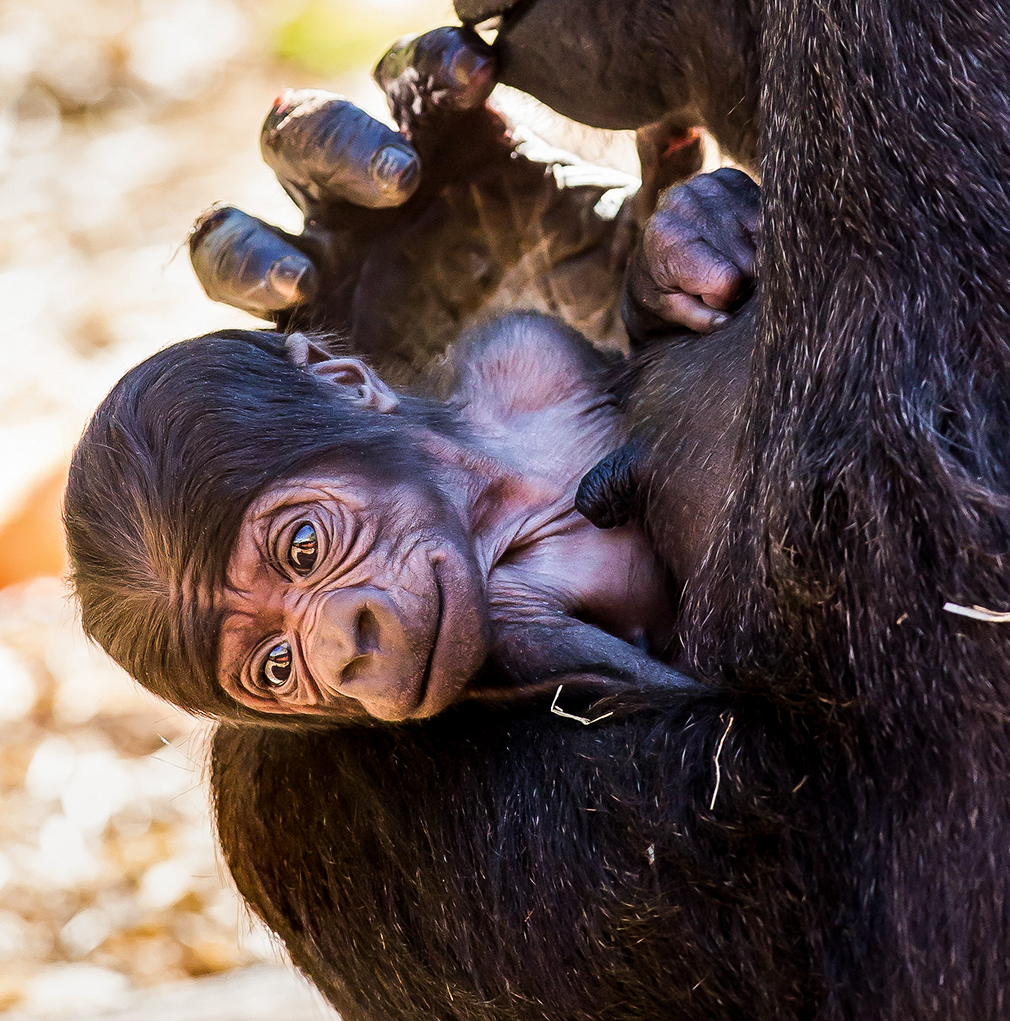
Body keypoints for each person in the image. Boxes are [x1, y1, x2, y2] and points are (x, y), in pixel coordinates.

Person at [65, 171, 759, 726]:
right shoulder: (515, 640)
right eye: (276, 667)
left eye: (304, 545)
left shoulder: (522, 359)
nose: (342, 651)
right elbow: (724, 730)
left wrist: (661, 279)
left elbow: (652, 384)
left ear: (349, 385)